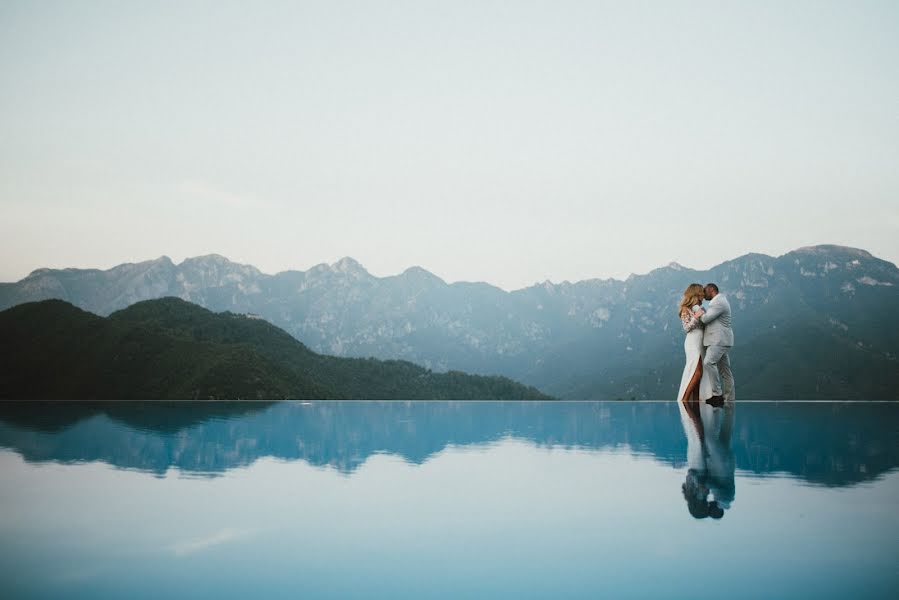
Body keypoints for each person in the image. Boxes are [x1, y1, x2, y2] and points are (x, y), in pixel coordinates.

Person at [693, 283, 734, 408]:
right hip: (722, 340)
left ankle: (717, 395)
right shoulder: (719, 301)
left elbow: (705, 319)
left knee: (708, 363)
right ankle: (729, 399)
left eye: (705, 291)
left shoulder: (718, 302)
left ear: (711, 290)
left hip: (718, 340)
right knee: (725, 371)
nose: (703, 294)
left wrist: (695, 308)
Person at [675, 283, 713, 406]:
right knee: (696, 373)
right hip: (692, 343)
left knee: (700, 375)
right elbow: (686, 328)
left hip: (700, 343)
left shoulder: (697, 309)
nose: (703, 297)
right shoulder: (686, 309)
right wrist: (696, 317)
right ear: (696, 295)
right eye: (701, 294)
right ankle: (684, 400)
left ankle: (696, 402)